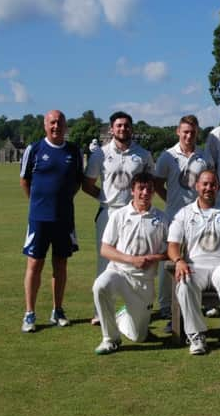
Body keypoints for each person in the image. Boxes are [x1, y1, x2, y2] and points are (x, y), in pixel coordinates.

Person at [83, 111, 154, 325]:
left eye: (126, 126)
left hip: (136, 215)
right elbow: (87, 184)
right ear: (111, 129)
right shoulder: (100, 155)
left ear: (132, 129)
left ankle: (136, 309)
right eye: (119, 126)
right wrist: (105, 199)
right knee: (106, 261)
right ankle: (101, 311)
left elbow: (149, 185)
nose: (123, 129)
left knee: (136, 261)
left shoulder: (143, 155)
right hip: (109, 213)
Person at [168, 169, 220, 355]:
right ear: (197, 186)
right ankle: (196, 336)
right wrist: (179, 261)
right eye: (205, 184)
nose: (208, 188)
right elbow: (172, 246)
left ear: (218, 187)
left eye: (212, 184)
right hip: (195, 266)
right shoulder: (184, 214)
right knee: (184, 282)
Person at [19, 110, 83, 332]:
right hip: (39, 219)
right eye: (52, 122)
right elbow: (25, 180)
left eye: (60, 123)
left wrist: (61, 201)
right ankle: (29, 314)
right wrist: (39, 204)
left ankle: (58, 310)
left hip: (64, 219)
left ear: (66, 126)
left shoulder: (74, 151)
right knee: (34, 265)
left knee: (60, 265)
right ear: (45, 125)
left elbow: (76, 183)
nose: (57, 126)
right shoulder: (34, 149)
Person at [92, 172, 169, 355]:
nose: (145, 193)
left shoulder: (162, 218)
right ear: (132, 190)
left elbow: (171, 252)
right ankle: (110, 339)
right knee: (100, 286)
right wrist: (131, 260)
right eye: (140, 189)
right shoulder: (119, 215)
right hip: (119, 272)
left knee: (138, 337)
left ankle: (123, 315)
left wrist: (153, 258)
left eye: (149, 189)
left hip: (144, 281)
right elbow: (105, 249)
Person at [154, 115, 211, 328]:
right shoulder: (167, 156)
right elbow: (158, 183)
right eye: (185, 131)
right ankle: (166, 305)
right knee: (170, 261)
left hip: (198, 218)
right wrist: (170, 200)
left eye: (192, 132)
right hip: (173, 216)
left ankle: (196, 301)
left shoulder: (203, 156)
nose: (189, 135)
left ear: (197, 133)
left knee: (196, 257)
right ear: (178, 132)